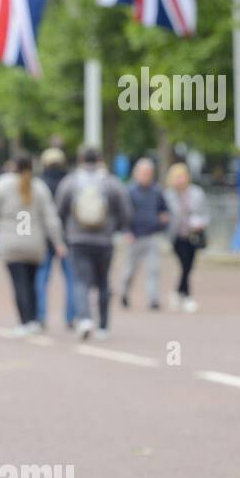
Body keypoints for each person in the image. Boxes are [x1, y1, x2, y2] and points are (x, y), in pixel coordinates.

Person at [56, 146, 132, 341]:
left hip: (77, 239)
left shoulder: (71, 182)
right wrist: (119, 229)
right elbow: (124, 209)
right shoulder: (110, 182)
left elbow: (60, 210)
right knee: (103, 281)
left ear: (80, 159)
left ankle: (85, 319)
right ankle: (104, 325)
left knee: (81, 281)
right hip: (104, 240)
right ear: (99, 159)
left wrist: (65, 234)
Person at [0, 154, 65, 334]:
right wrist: (58, 242)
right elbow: (51, 218)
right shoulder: (39, 187)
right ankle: (35, 319)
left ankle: (24, 321)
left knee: (19, 283)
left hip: (11, 242)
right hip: (34, 242)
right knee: (32, 282)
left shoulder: (2, 185)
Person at [119, 158, 169, 311]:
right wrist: (127, 231)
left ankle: (153, 299)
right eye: (143, 173)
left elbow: (164, 210)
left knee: (153, 269)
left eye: (149, 173)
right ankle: (124, 293)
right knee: (130, 270)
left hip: (152, 235)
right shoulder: (129, 191)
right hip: (135, 236)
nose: (146, 175)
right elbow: (124, 214)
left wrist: (163, 220)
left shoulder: (157, 191)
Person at [35, 147, 77, 328]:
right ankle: (71, 317)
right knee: (71, 278)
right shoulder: (71, 183)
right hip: (68, 236)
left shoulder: (39, 184)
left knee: (42, 277)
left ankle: (40, 316)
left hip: (44, 237)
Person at [163, 162, 210, 313]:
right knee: (185, 265)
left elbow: (206, 213)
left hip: (193, 235)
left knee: (189, 266)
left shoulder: (197, 193)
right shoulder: (168, 195)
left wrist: (200, 223)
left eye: (182, 176)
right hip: (176, 235)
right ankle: (187, 296)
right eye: (177, 177)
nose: (180, 180)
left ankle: (178, 293)